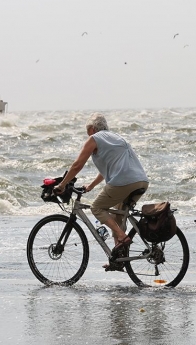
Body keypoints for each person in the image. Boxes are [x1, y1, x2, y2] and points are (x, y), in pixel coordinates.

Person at [54, 113, 149, 270]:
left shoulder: (94, 139)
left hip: (123, 183)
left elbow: (77, 165)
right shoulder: (115, 138)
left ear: (92, 128)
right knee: (116, 217)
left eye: (87, 131)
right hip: (141, 181)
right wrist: (90, 186)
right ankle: (119, 260)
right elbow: (107, 169)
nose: (87, 134)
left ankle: (123, 237)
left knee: (96, 208)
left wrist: (62, 184)